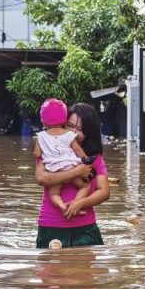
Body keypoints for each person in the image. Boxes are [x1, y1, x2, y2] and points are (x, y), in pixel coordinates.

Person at [34, 102, 110, 248]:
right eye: (70, 126)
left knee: (86, 271)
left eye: (80, 129)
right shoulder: (48, 151)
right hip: (51, 226)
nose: (74, 133)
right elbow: (41, 178)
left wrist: (80, 203)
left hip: (86, 228)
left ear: (90, 132)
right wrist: (76, 172)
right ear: (62, 124)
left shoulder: (93, 157)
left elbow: (104, 191)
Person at [33, 98, 92, 213]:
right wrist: (86, 160)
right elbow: (77, 150)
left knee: (54, 193)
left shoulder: (41, 136)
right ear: (65, 120)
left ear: (42, 121)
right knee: (85, 186)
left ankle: (62, 206)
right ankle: (76, 203)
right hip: (71, 165)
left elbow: (37, 153)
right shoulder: (69, 134)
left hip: (54, 169)